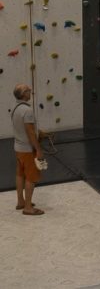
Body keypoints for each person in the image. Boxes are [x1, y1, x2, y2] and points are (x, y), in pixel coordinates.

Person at [12, 84, 44, 216]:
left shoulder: (15, 108)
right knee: (31, 177)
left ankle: (21, 201)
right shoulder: (27, 111)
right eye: (28, 90)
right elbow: (30, 132)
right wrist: (39, 150)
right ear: (23, 93)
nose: (30, 91)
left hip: (18, 148)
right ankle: (27, 208)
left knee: (20, 174)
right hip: (27, 149)